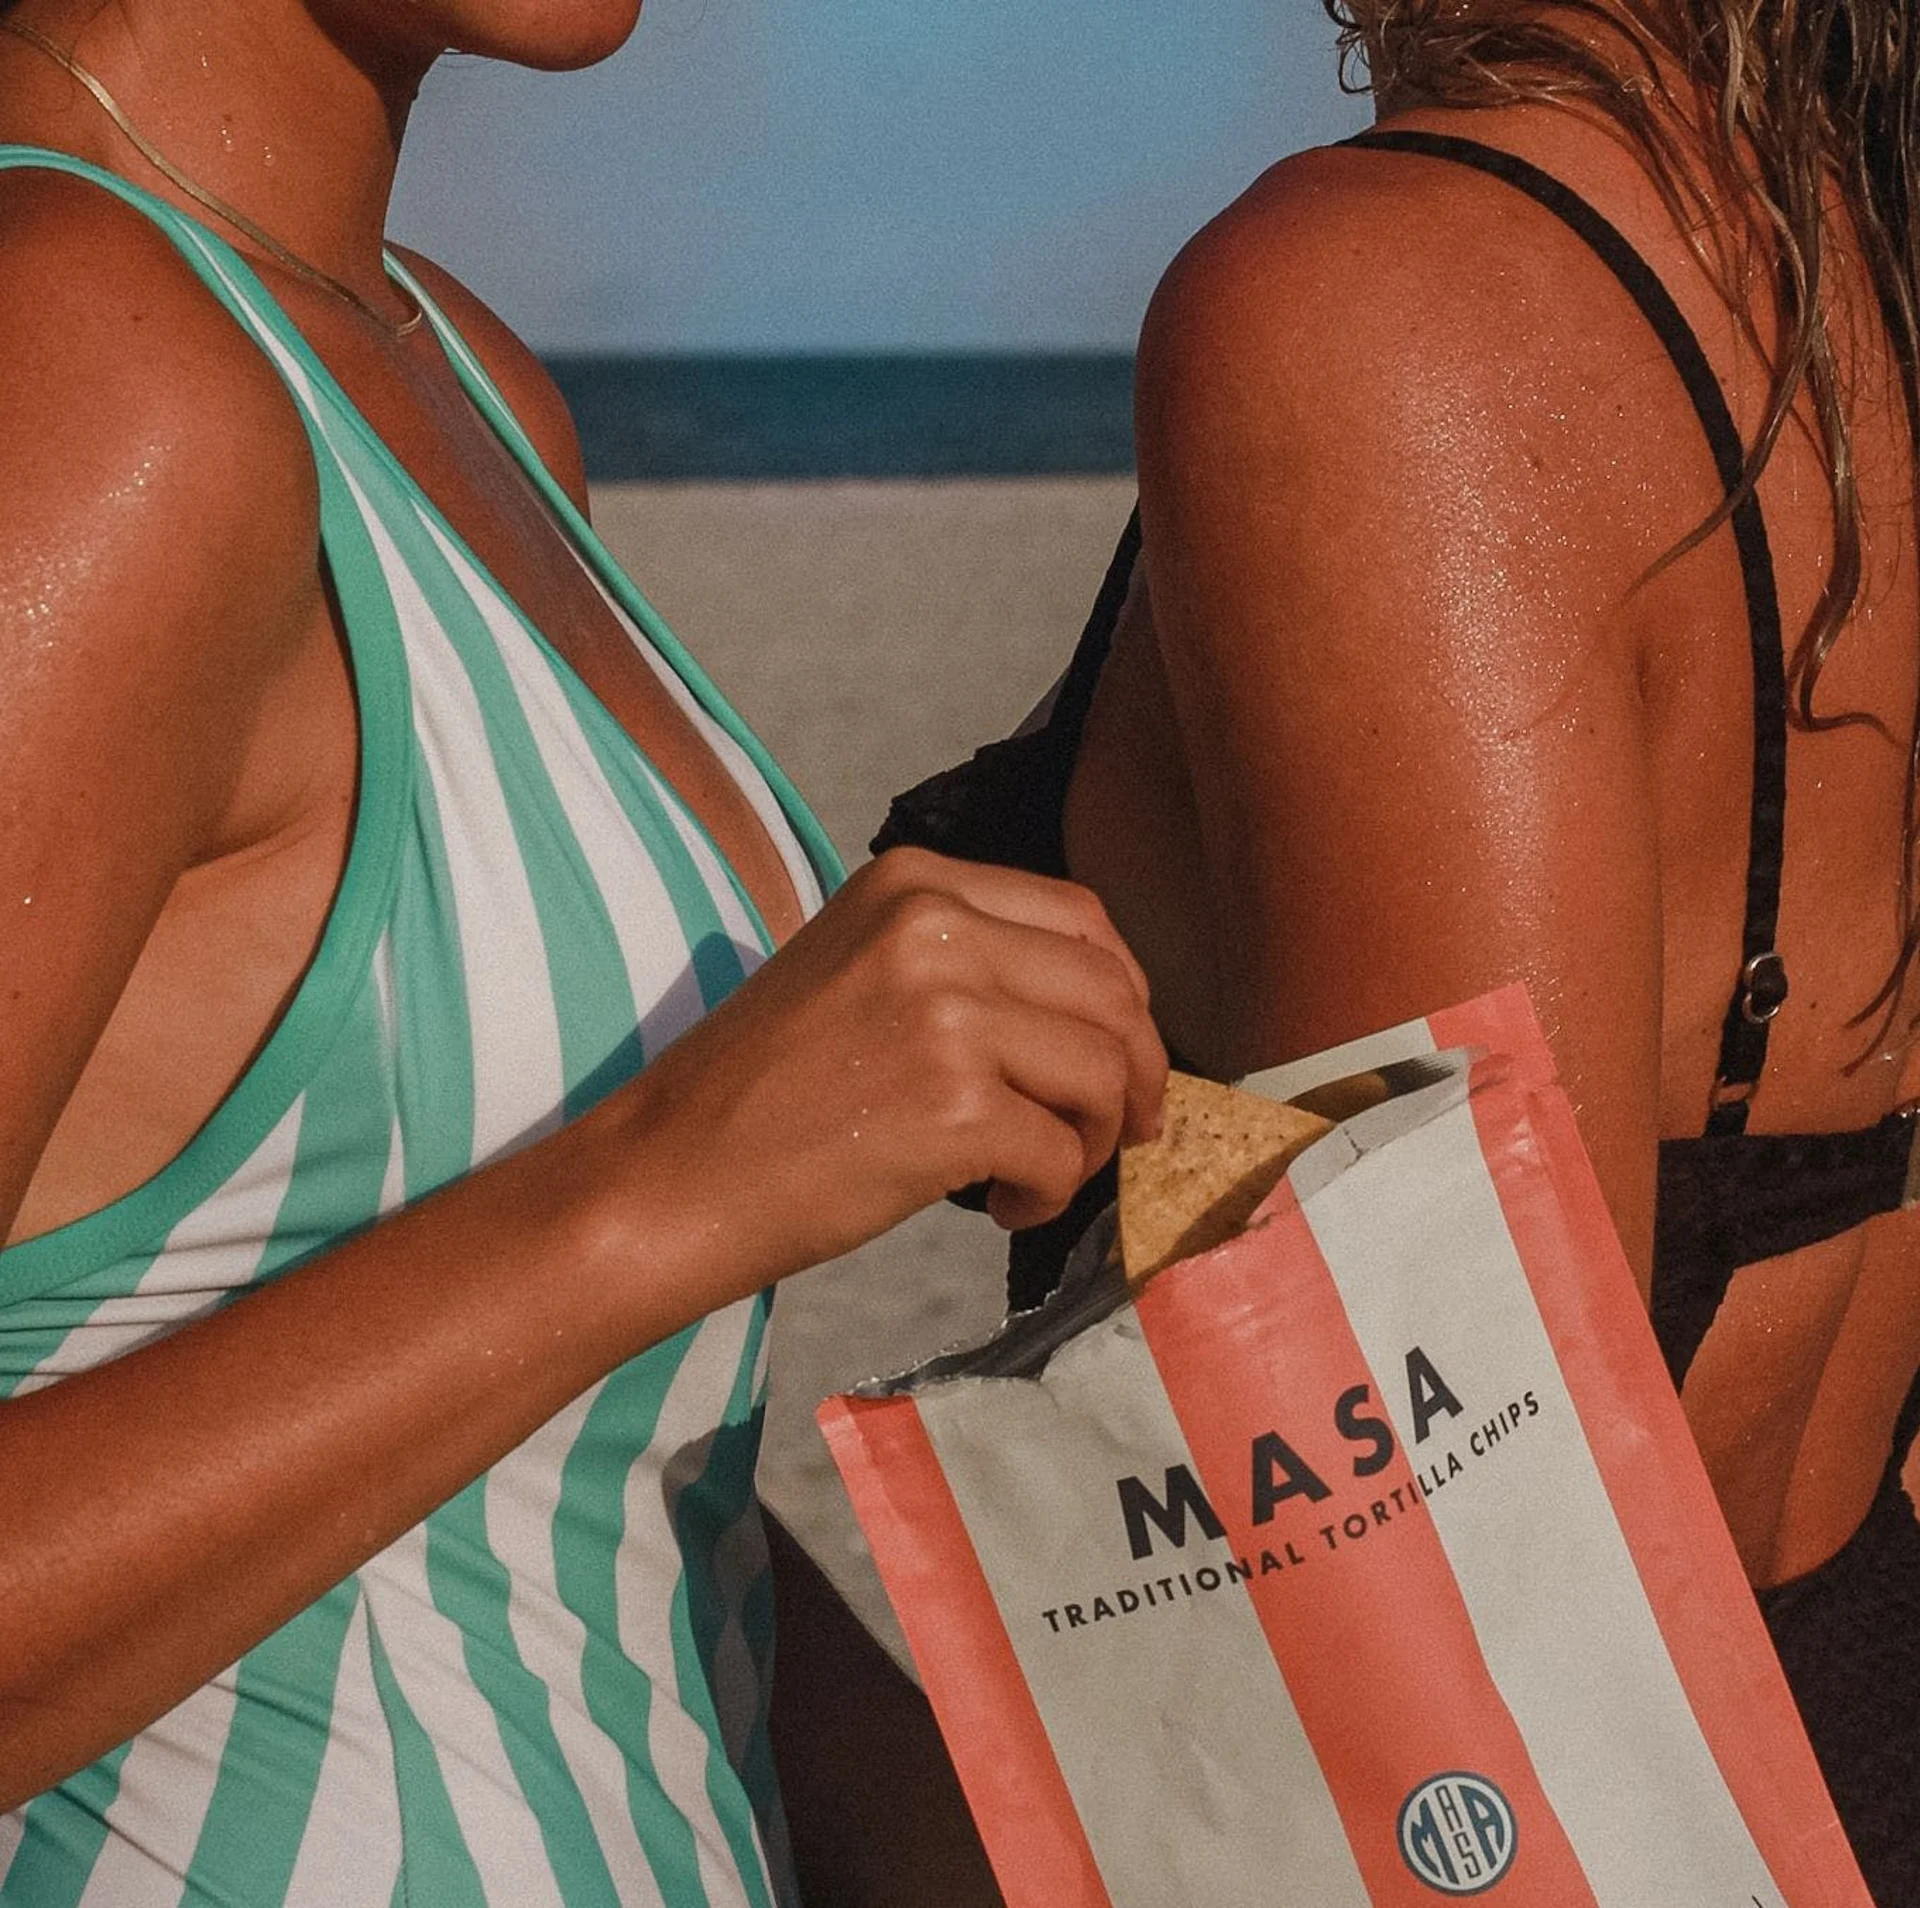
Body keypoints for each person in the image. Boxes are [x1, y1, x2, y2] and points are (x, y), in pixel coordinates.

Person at [0, 1, 1163, 1900]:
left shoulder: (451, 374)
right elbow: (610, 1239)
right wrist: (663, 1188)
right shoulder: (69, 370)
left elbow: (554, 1491)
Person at [879, 0, 1920, 1896]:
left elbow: (1454, 1492)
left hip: (1507, 1827)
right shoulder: (1847, 277)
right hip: (1837, 1718)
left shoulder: (1390, 302)